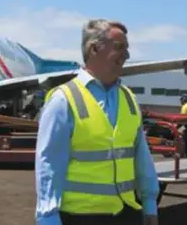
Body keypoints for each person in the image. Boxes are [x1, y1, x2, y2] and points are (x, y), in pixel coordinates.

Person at [35, 19, 159, 225]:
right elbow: (49, 164)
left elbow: (142, 157)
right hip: (81, 217)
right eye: (119, 47)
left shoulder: (128, 98)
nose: (127, 55)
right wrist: (48, 218)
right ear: (94, 49)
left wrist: (150, 205)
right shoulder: (63, 99)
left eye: (127, 48)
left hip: (127, 213)